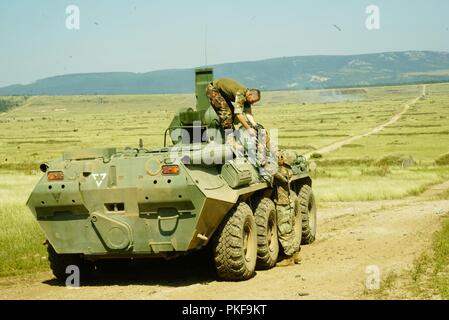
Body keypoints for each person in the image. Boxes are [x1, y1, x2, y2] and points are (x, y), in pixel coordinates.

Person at [206, 78, 261, 148]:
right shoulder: (240, 94)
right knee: (226, 113)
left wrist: (255, 125)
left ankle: (233, 136)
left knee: (231, 112)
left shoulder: (247, 98)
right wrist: (248, 128)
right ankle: (230, 140)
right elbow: (238, 114)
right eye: (253, 101)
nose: (252, 103)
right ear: (250, 94)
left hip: (222, 93)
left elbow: (248, 113)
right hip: (213, 89)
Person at [273, 150, 302, 266]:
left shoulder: (283, 171)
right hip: (287, 203)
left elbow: (272, 172)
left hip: (283, 204)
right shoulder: (288, 170)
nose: (279, 157)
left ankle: (289, 257)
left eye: (281, 156)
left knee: (284, 231)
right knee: (289, 229)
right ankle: (295, 255)